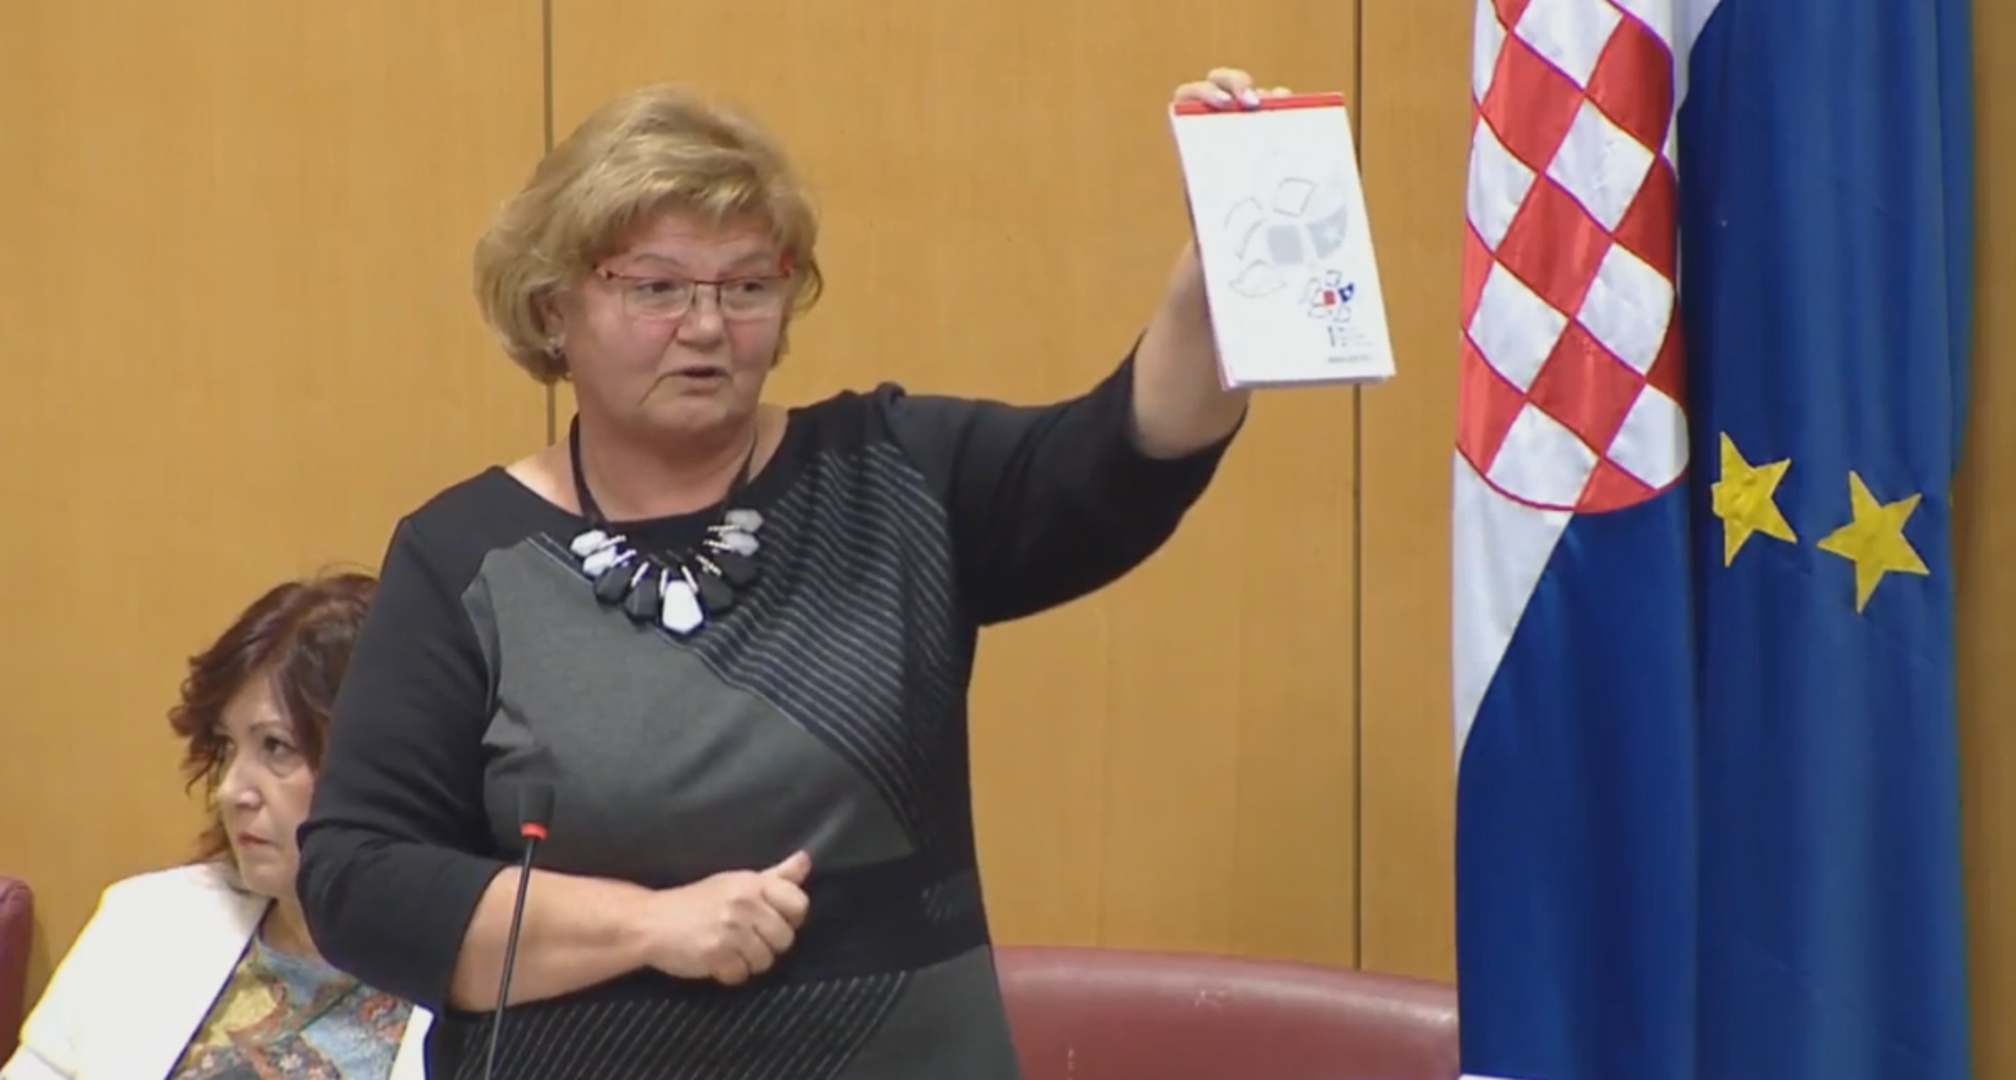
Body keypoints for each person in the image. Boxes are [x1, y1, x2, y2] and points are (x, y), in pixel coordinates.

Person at [296, 66, 1289, 1080]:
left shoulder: (895, 477)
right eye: (656, 288)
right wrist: (649, 927)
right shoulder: (465, 558)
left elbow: (1119, 461)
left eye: (747, 286)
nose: (707, 326)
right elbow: (358, 882)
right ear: (555, 309)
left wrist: (1220, 275)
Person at [2, 572, 431, 1080]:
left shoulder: (481, 979)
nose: (230, 790)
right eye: (227, 746)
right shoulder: (146, 921)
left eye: (276, 747)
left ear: (380, 763)